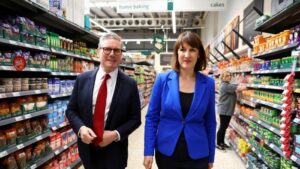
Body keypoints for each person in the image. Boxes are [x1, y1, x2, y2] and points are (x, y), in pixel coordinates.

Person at [66, 32, 141, 169]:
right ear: (98, 52)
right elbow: (71, 110)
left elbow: (135, 119)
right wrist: (81, 128)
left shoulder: (129, 84)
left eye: (117, 50)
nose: (112, 53)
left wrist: (115, 134)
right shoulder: (82, 79)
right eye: (107, 49)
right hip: (87, 150)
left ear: (121, 55)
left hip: (115, 153)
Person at [143, 31, 216, 169]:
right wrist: (148, 151)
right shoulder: (162, 80)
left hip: (198, 153)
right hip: (167, 152)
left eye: (192, 50)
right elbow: (152, 118)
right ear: (177, 52)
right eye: (182, 49)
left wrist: (211, 156)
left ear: (199, 54)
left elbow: (210, 122)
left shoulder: (208, 84)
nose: (187, 55)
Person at [216, 71, 244, 150]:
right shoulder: (225, 86)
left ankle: (222, 142)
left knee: (224, 127)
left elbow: (234, 85)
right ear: (223, 77)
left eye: (230, 75)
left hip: (226, 110)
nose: (229, 77)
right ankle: (218, 143)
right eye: (227, 76)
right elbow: (239, 88)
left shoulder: (226, 85)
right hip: (225, 110)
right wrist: (247, 85)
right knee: (222, 127)